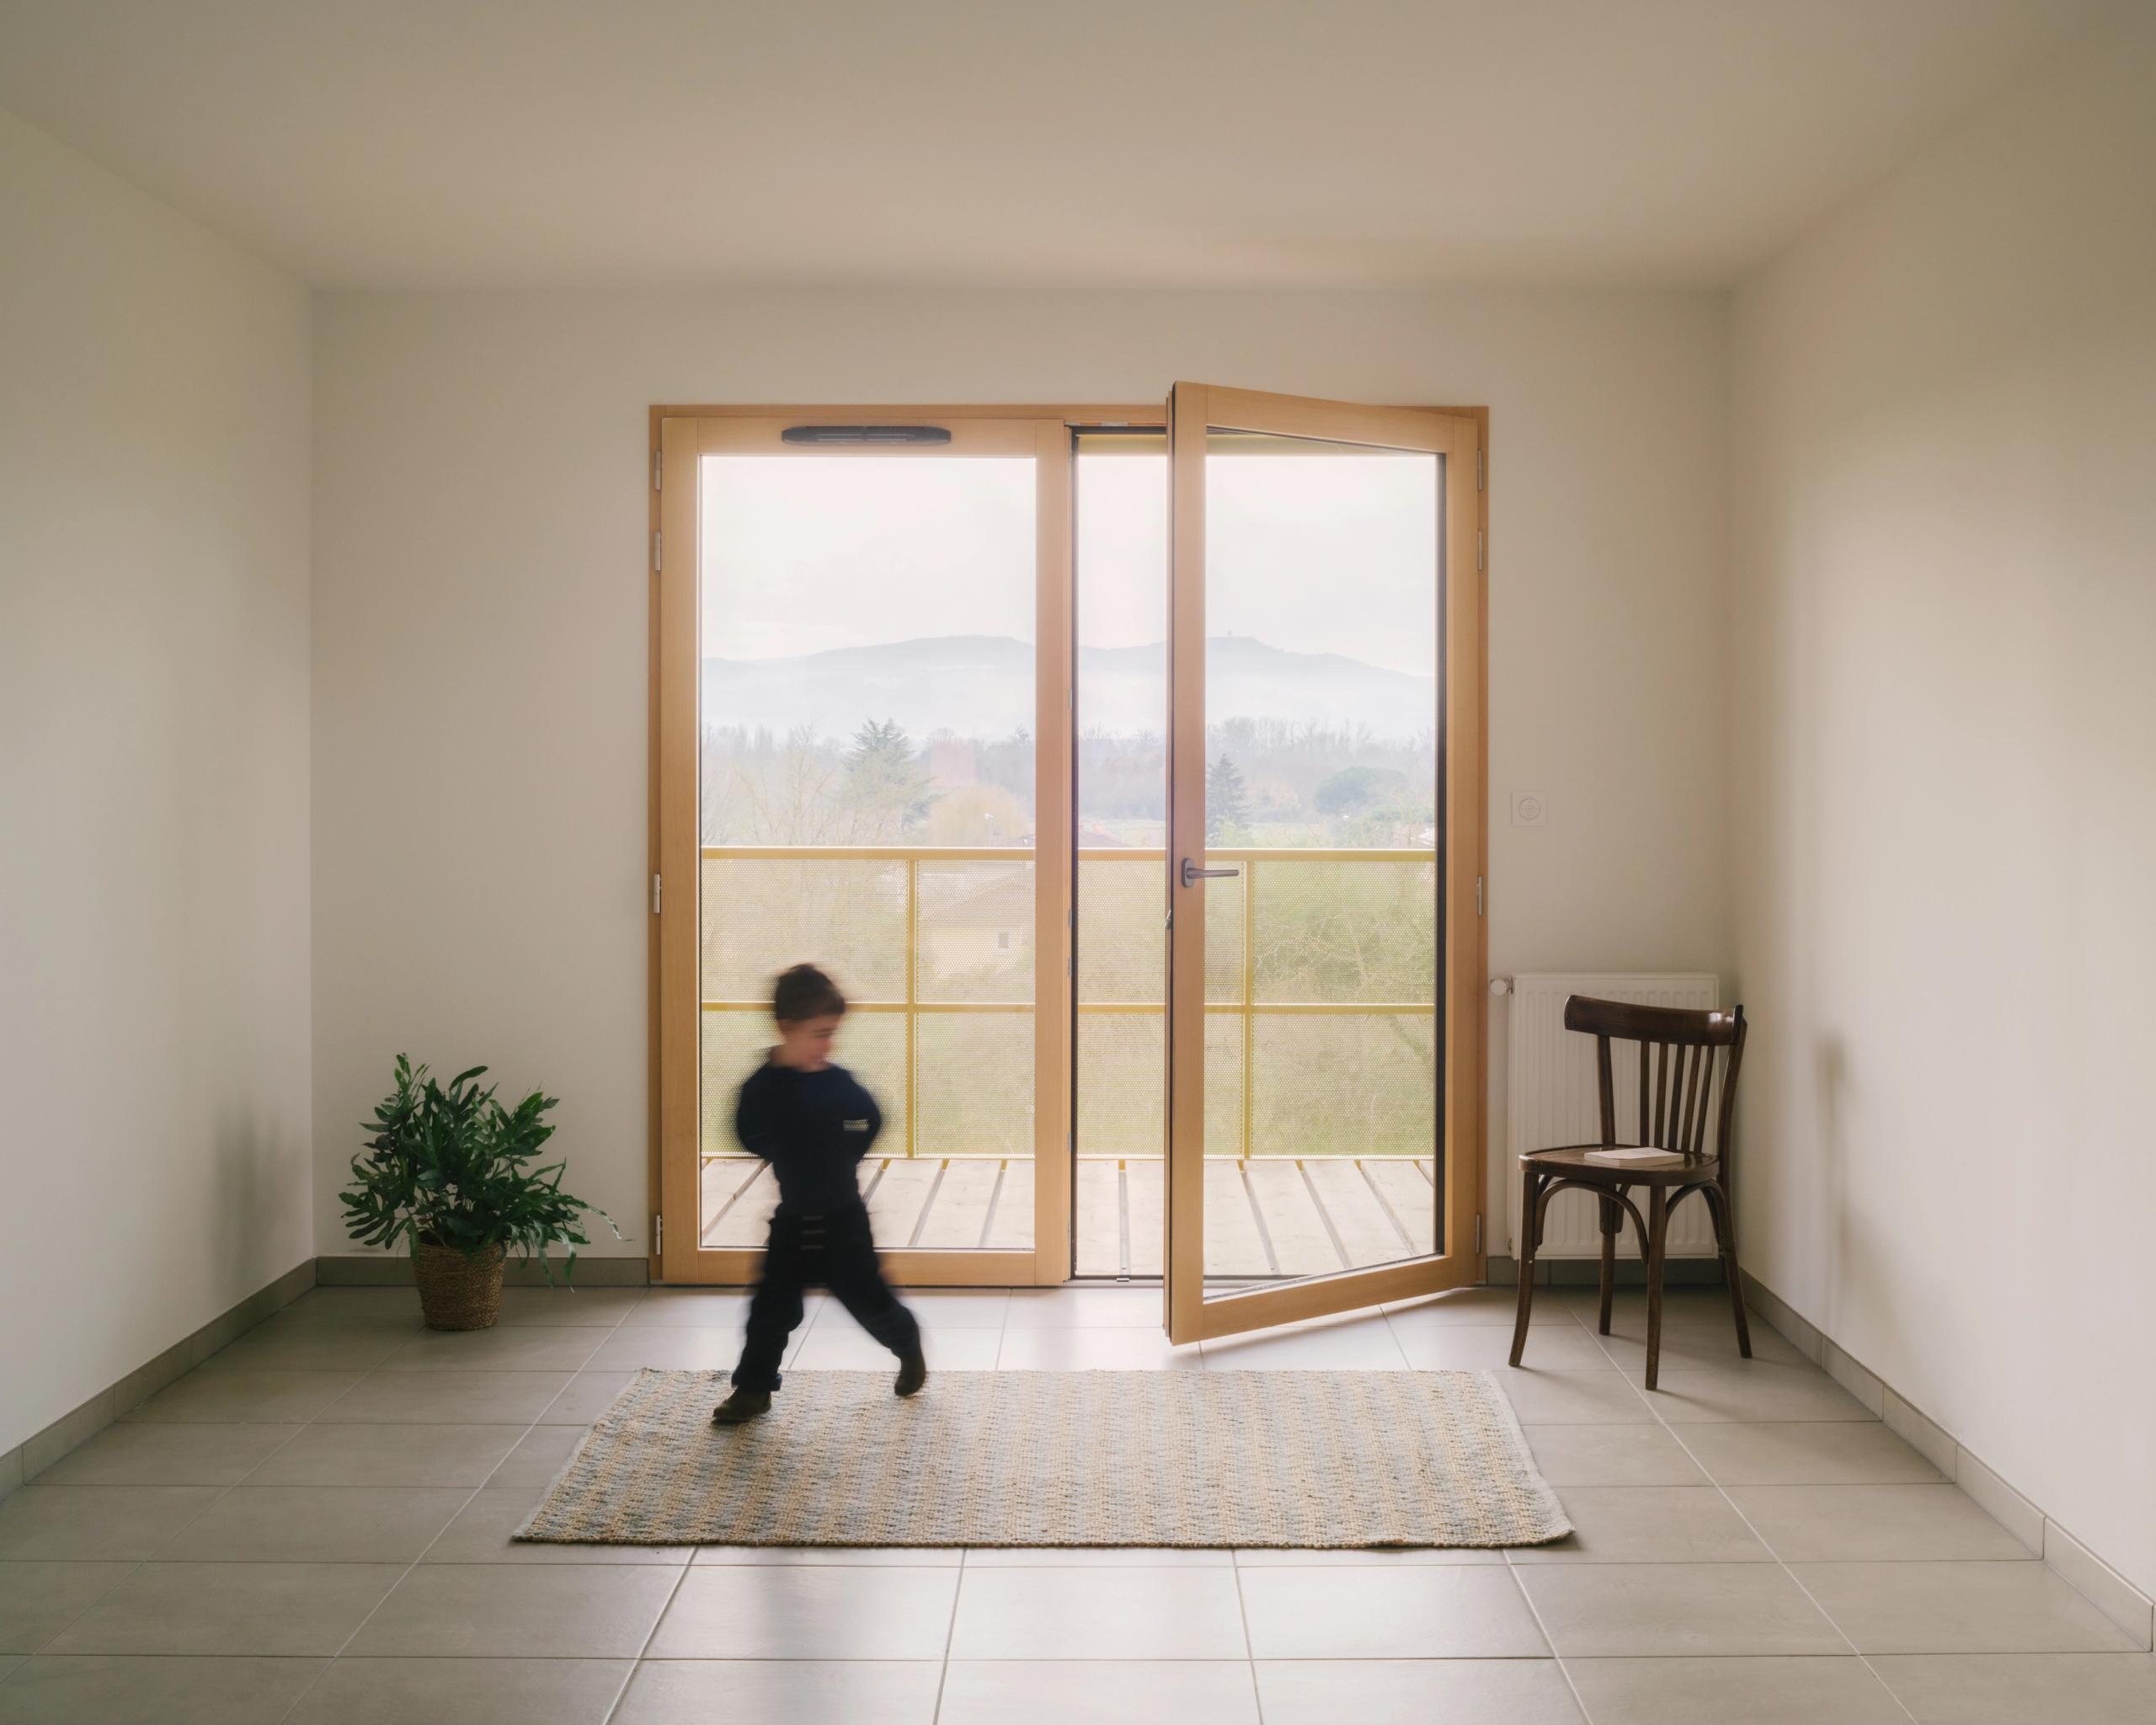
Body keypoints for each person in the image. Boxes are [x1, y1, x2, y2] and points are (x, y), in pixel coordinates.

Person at [712, 963, 926, 1424]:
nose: (829, 1045)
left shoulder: (839, 1086)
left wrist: (841, 1153)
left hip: (843, 1223)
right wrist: (783, 1149)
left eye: (833, 1034)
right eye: (820, 1033)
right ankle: (752, 1390)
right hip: (792, 1222)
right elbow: (747, 1131)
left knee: (870, 1301)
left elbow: (870, 1119)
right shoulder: (763, 1088)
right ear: (786, 1028)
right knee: (770, 1309)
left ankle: (907, 1343)